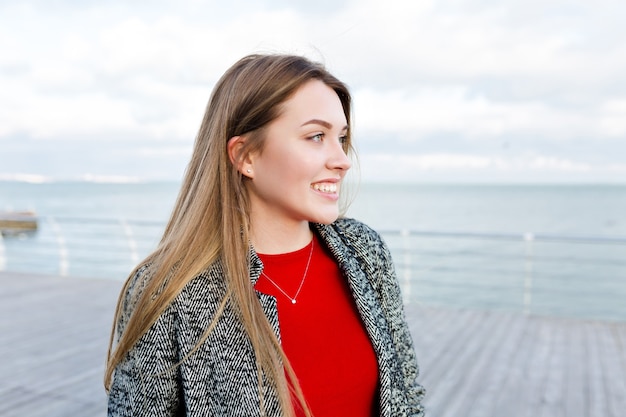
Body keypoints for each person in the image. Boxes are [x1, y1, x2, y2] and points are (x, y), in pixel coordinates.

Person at [105, 53, 425, 417]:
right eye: (316, 136)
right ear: (245, 156)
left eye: (342, 137)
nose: (342, 159)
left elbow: (407, 392)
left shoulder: (365, 252)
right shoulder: (171, 291)